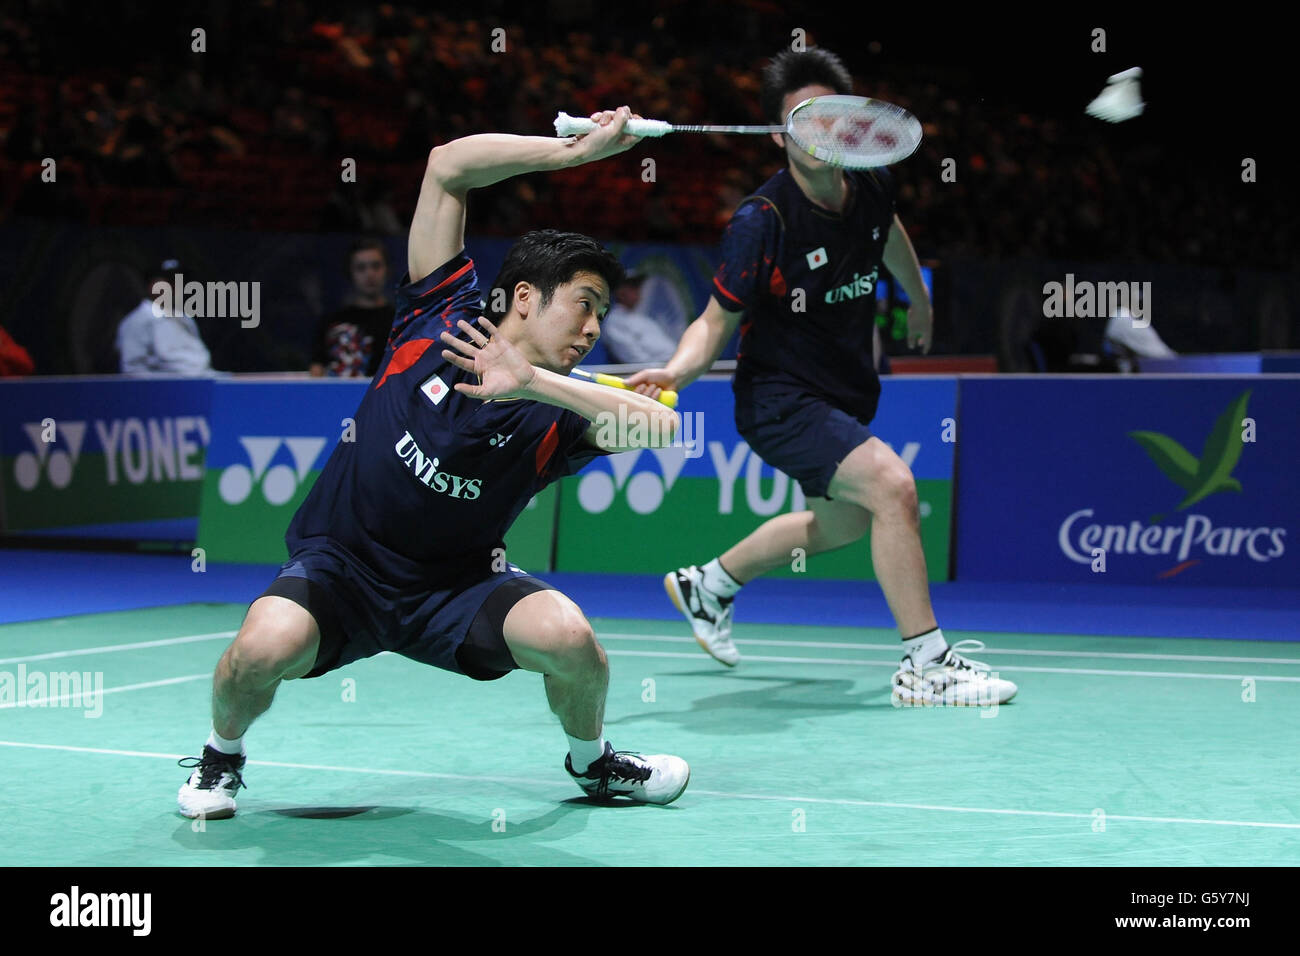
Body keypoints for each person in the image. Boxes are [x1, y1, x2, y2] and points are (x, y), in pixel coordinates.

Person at [178, 108, 690, 819]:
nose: (594, 328)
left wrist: (535, 380)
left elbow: (666, 429)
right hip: (342, 567)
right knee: (258, 651)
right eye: (583, 305)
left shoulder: (561, 408)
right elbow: (447, 164)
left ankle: (592, 762)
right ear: (521, 297)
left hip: (456, 588)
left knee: (572, 640)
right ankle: (220, 757)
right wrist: (573, 154)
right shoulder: (437, 316)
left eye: (601, 312)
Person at [627, 50, 1016, 707]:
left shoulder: (870, 185)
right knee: (893, 487)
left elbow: (886, 231)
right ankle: (925, 664)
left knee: (843, 527)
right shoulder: (763, 221)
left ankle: (709, 585)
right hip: (778, 397)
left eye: (831, 117)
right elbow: (715, 321)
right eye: (802, 121)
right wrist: (676, 371)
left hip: (843, 389)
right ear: (779, 137)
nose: (821, 133)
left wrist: (916, 299)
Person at [309, 239, 395, 378]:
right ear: (350, 273)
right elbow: (316, 369)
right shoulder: (331, 321)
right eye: (361, 268)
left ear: (387, 270)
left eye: (376, 266)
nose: (369, 274)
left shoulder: (399, 321)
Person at [115, 259, 215, 376]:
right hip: (167, 389)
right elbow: (133, 370)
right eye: (169, 281)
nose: (175, 286)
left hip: (201, 385)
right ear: (152, 285)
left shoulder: (184, 318)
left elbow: (198, 366)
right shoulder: (138, 320)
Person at [599, 271, 679, 364]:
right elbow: (634, 359)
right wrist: (665, 369)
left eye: (637, 286)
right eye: (631, 287)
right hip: (653, 373)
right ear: (619, 291)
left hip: (672, 365)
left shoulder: (642, 317)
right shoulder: (614, 321)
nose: (637, 291)